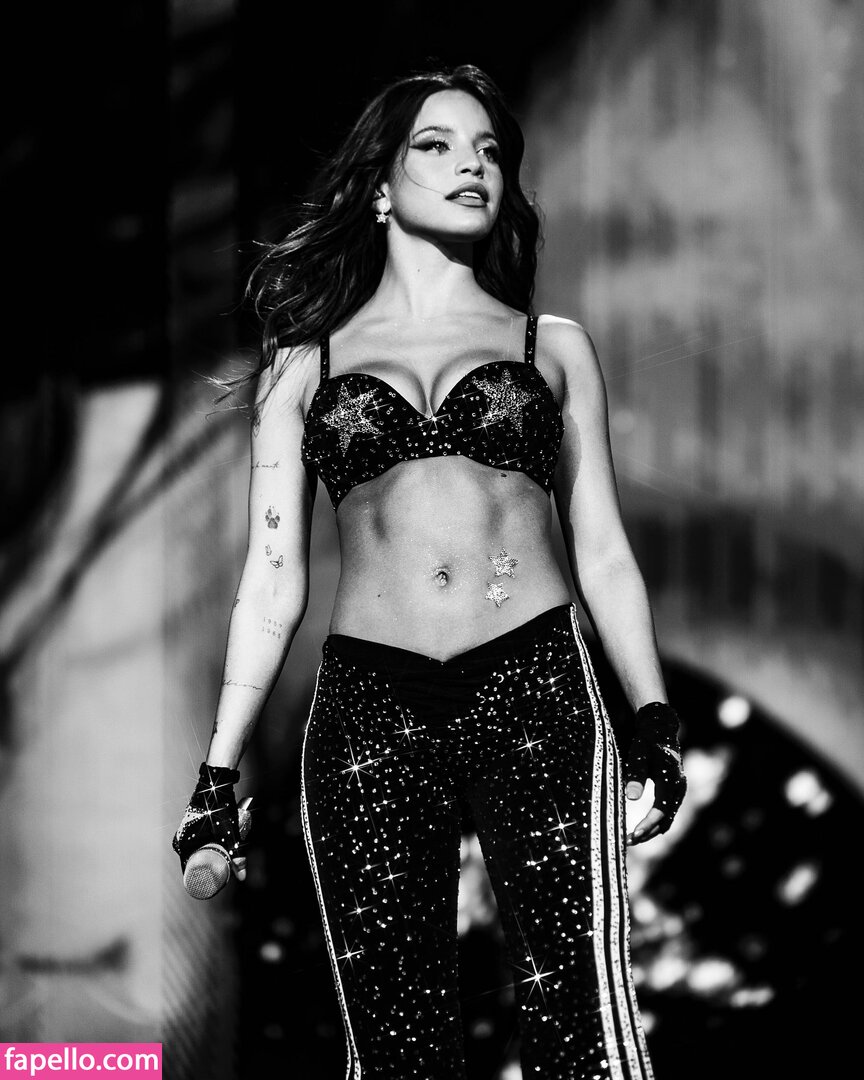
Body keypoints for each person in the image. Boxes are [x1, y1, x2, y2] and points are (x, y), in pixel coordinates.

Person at [172, 64, 686, 1080]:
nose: (471, 166)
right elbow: (271, 577)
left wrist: (655, 719)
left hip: (535, 685)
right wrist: (217, 775)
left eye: (489, 150)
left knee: (583, 1022)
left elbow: (604, 550)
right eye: (437, 146)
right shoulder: (302, 366)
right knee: (395, 1043)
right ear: (378, 185)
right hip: (370, 707)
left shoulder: (553, 347)